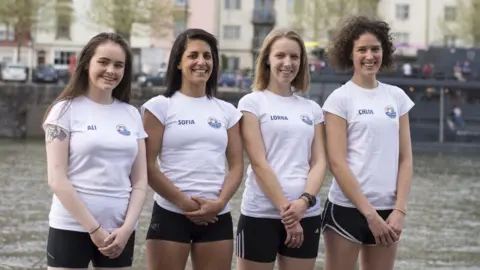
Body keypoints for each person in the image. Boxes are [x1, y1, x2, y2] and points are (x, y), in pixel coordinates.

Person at [43, 32, 148, 269]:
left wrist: (127, 228)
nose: (111, 70)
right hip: (71, 226)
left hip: (120, 231)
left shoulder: (131, 114)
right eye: (103, 62)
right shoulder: (64, 110)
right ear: (87, 63)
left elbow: (140, 180)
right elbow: (56, 178)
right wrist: (94, 228)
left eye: (118, 65)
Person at [142, 28, 244, 270]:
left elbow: (237, 166)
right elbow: (147, 165)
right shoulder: (159, 107)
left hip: (216, 216)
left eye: (207, 56)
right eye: (193, 55)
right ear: (178, 62)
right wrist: (184, 203)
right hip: (171, 212)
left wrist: (219, 204)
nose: (201, 62)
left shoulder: (227, 111)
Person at [320, 16, 414, 270]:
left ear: (384, 51)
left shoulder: (397, 97)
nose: (369, 56)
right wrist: (369, 214)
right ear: (350, 54)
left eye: (375, 49)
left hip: (389, 211)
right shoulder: (339, 99)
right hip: (347, 209)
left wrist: (399, 211)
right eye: (362, 49)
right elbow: (337, 163)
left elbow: (405, 159)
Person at [236, 29, 327, 270]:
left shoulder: (312, 109)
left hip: (306, 215)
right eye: (280, 56)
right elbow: (258, 162)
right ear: (267, 59)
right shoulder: (252, 103)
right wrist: (287, 212)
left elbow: (319, 162)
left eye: (294, 57)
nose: (288, 63)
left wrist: (303, 203)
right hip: (260, 214)